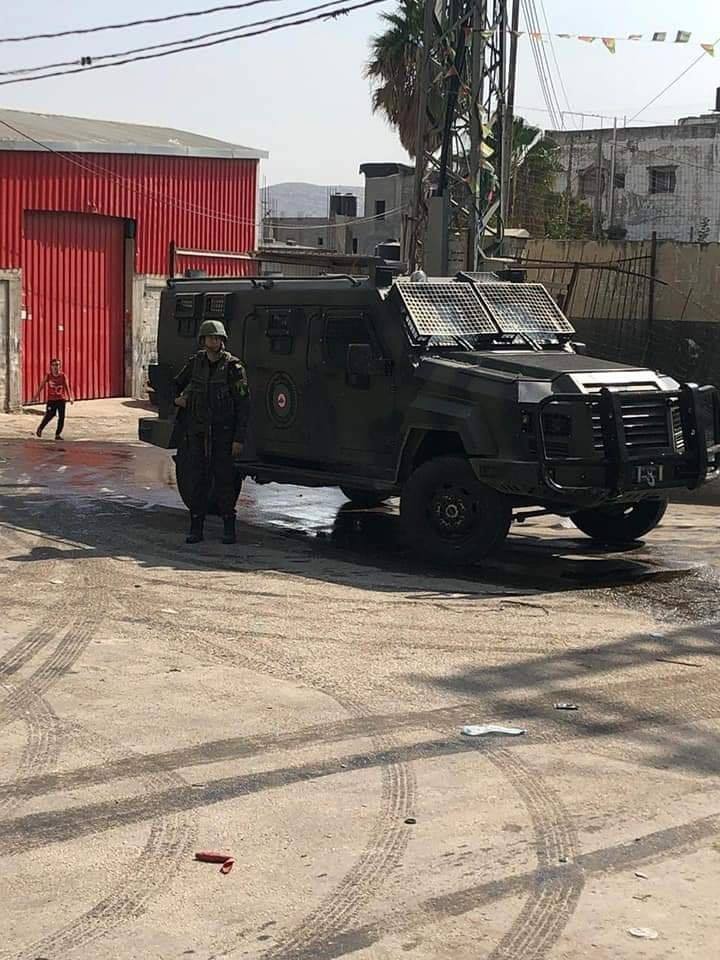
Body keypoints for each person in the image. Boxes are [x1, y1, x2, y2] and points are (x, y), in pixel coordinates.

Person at [173, 319, 250, 545]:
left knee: (225, 481)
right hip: (198, 432)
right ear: (203, 340)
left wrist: (239, 438)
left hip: (223, 434)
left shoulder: (234, 367)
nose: (213, 341)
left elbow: (243, 405)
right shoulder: (196, 363)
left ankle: (229, 529)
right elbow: (176, 383)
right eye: (210, 337)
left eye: (217, 338)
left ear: (222, 341)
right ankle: (196, 529)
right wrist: (180, 399)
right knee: (198, 481)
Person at [31, 358, 74, 440]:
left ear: (60, 366)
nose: (56, 367)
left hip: (61, 399)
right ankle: (40, 428)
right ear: (51, 366)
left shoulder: (63, 376)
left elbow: (67, 386)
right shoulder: (48, 376)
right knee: (49, 415)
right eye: (54, 365)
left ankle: (57, 434)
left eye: (57, 365)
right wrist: (36, 396)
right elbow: (41, 386)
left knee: (61, 417)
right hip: (51, 400)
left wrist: (70, 397)